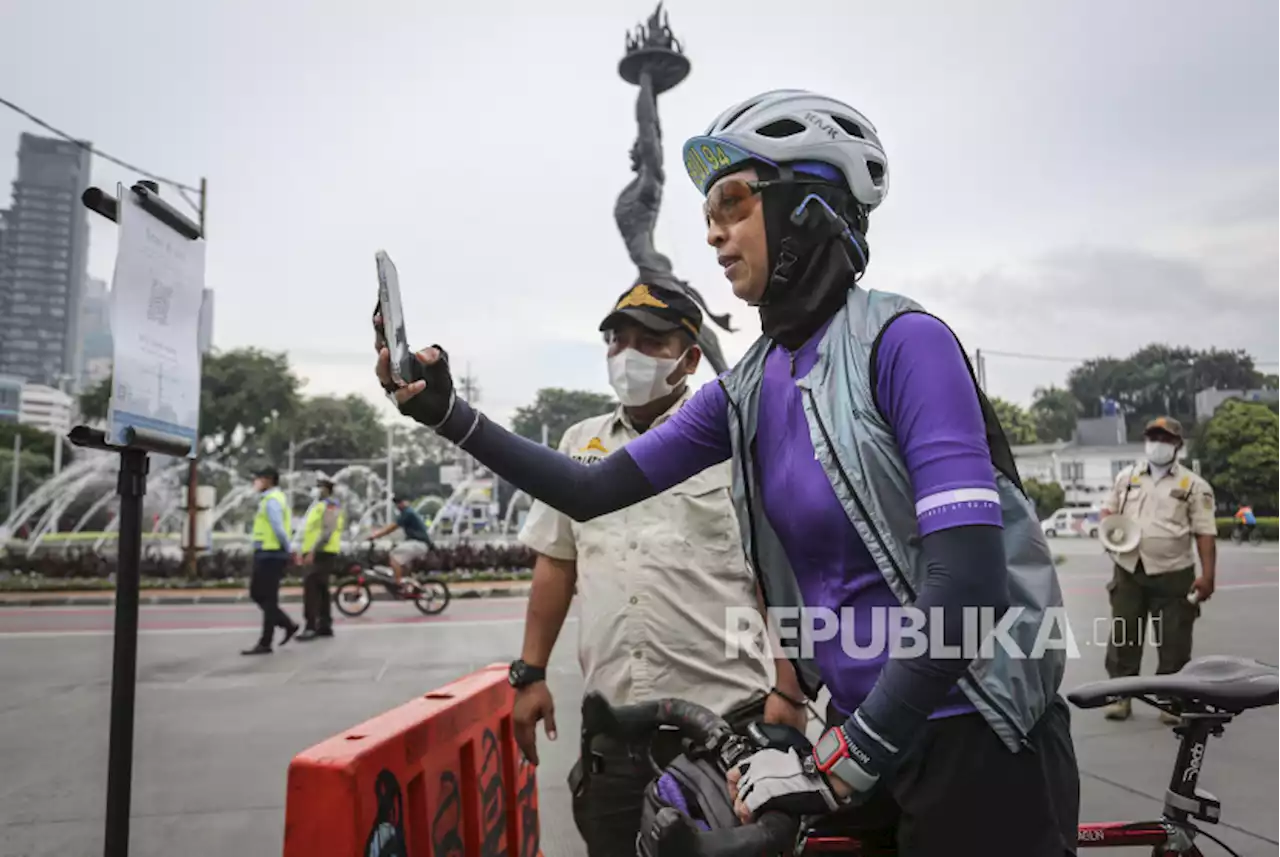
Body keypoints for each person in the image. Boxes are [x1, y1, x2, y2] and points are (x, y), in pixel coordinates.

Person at [374, 88, 1079, 857]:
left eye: (733, 203)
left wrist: (854, 756)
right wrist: (444, 412)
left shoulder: (905, 345)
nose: (712, 231)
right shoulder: (748, 387)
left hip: (971, 735)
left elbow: (969, 589)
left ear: (809, 207)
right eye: (708, 213)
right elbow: (589, 488)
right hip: (859, 739)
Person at [510, 282, 806, 857]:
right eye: (618, 341)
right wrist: (530, 673)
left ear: (690, 358)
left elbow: (780, 576)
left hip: (726, 728)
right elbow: (556, 564)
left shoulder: (734, 440)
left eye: (651, 343)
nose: (629, 356)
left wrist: (789, 692)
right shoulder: (580, 444)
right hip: (614, 736)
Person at [1099, 416, 1217, 724]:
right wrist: (1108, 525)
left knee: (1174, 641)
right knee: (1124, 635)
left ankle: (1170, 701)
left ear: (1178, 445)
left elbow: (1205, 532)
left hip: (1174, 572)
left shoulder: (1193, 485)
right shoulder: (1126, 477)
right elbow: (1108, 510)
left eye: (1165, 439)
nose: (1158, 444)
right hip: (1129, 568)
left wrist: (1208, 575)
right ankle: (1120, 696)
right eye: (1153, 437)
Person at [243, 466, 300, 655]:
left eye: (258, 478)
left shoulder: (272, 500)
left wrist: (288, 549)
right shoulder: (271, 499)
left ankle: (269, 639)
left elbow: (279, 529)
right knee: (264, 597)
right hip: (267, 553)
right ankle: (284, 626)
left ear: (268, 480)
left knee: (263, 596)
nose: (256, 482)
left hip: (271, 554)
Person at [294, 476, 345, 640]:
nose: (317, 490)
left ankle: (311, 626)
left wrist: (312, 551)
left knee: (312, 589)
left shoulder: (330, 505)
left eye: (320, 487)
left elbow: (327, 532)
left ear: (327, 489)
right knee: (322, 588)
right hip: (317, 551)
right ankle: (324, 625)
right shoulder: (318, 506)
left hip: (322, 552)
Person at [369, 495, 435, 591]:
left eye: (400, 502)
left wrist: (376, 535)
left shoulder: (407, 513)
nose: (399, 505)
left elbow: (392, 527)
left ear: (406, 502)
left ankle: (398, 583)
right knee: (400, 558)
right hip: (419, 544)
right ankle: (407, 582)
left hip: (418, 544)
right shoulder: (408, 512)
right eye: (397, 503)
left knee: (393, 556)